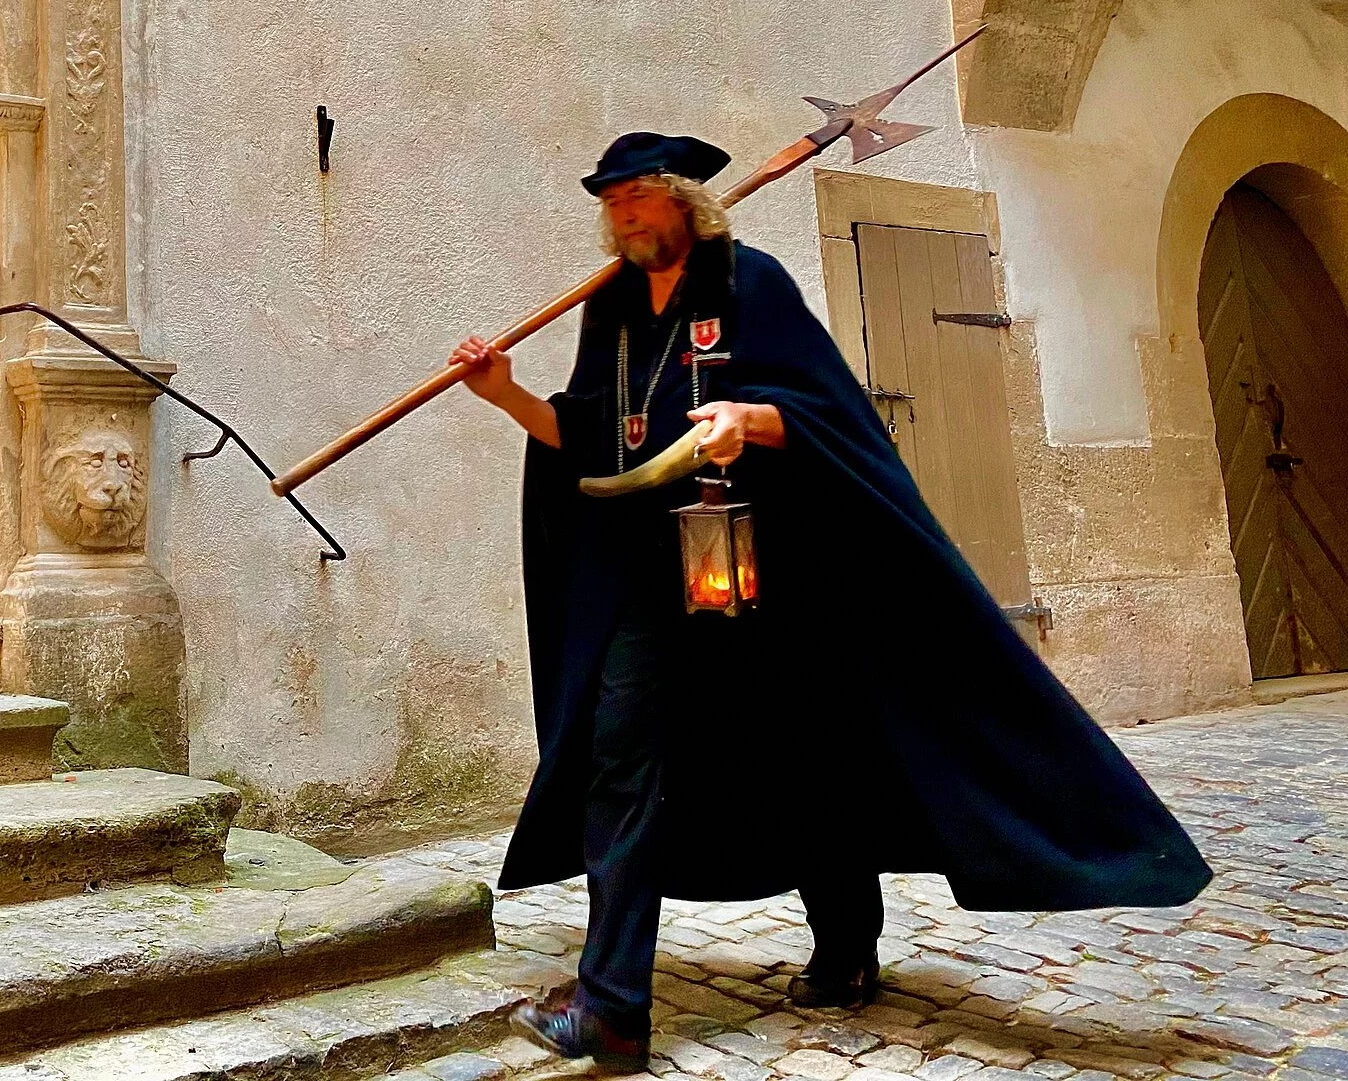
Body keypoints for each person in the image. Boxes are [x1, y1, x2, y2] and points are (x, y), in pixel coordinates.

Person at [453, 131, 1210, 1072]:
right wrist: (506, 396)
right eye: (611, 203)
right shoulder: (608, 306)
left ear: (683, 201)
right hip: (648, 576)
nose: (622, 217)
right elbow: (588, 433)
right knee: (621, 761)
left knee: (807, 744)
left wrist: (748, 419)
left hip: (772, 567)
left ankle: (846, 944)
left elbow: (828, 411)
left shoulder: (750, 283)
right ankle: (612, 1009)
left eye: (637, 198)